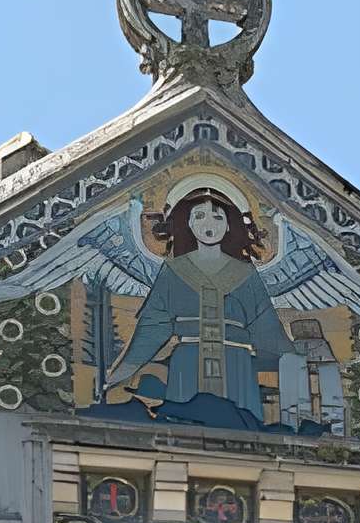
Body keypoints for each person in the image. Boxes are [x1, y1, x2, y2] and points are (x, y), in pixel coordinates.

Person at [104, 179, 296, 428]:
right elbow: (153, 327)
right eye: (199, 216)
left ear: (230, 225)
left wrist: (295, 361)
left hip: (236, 363)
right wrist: (121, 372)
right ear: (188, 223)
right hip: (188, 363)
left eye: (218, 217)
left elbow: (266, 327)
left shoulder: (246, 274)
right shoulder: (174, 271)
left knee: (241, 435)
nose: (208, 225)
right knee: (184, 432)